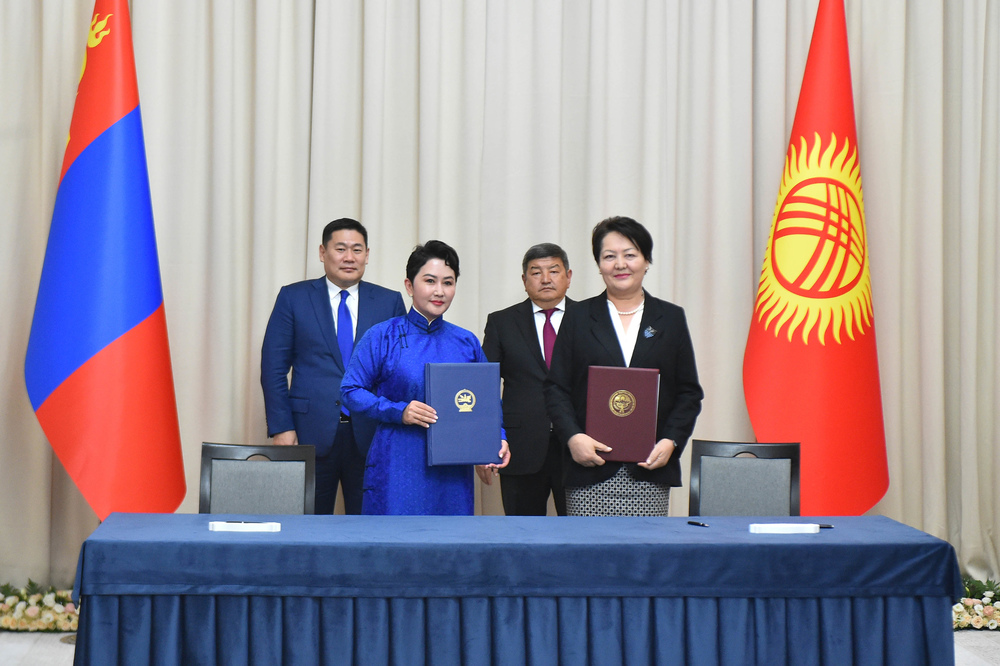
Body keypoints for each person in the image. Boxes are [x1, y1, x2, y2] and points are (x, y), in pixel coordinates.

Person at [544, 216, 703, 516]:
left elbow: (689, 393)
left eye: (630, 254)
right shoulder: (577, 317)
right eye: (609, 256)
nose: (620, 264)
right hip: (589, 470)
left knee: (646, 547)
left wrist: (671, 441)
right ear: (598, 264)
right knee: (588, 547)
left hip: (650, 469)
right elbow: (556, 388)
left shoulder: (670, 318)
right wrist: (573, 438)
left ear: (646, 260)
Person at [341, 240, 510, 515]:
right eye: (430, 281)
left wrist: (496, 440)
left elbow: (487, 401)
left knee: (451, 539)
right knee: (395, 539)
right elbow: (350, 390)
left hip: (453, 469)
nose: (439, 291)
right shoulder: (382, 336)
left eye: (448, 282)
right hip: (397, 463)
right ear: (409, 286)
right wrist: (399, 411)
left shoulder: (466, 341)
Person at [261, 218, 406, 515]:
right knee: (309, 525)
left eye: (357, 249)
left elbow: (398, 372)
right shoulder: (294, 297)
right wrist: (282, 426)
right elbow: (273, 368)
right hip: (308, 433)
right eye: (340, 249)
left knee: (368, 525)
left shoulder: (389, 302)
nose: (349, 257)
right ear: (322, 252)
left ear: (367, 255)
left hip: (371, 434)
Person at [482, 243, 574, 516]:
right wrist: (483, 443)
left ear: (568, 276)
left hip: (577, 447)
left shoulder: (591, 319)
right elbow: (484, 386)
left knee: (581, 533)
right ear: (524, 280)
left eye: (553, 271)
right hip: (520, 447)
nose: (545, 279)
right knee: (522, 533)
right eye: (536, 272)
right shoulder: (502, 322)